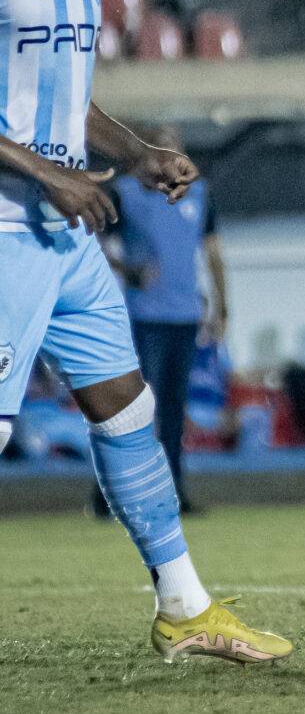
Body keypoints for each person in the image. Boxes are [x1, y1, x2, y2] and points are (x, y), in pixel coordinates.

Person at [0, 0, 290, 663]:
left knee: (128, 411)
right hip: (7, 230)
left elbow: (74, 101)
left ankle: (184, 606)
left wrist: (135, 155)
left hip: (66, 234)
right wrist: (45, 172)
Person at [97, 123, 226, 512]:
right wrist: (127, 269)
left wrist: (223, 306)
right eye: (162, 150)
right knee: (134, 409)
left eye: (176, 150)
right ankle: (111, 493)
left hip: (185, 315)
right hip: (145, 317)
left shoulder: (199, 196)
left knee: (173, 410)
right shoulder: (127, 194)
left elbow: (214, 252)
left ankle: (174, 492)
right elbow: (91, 238)